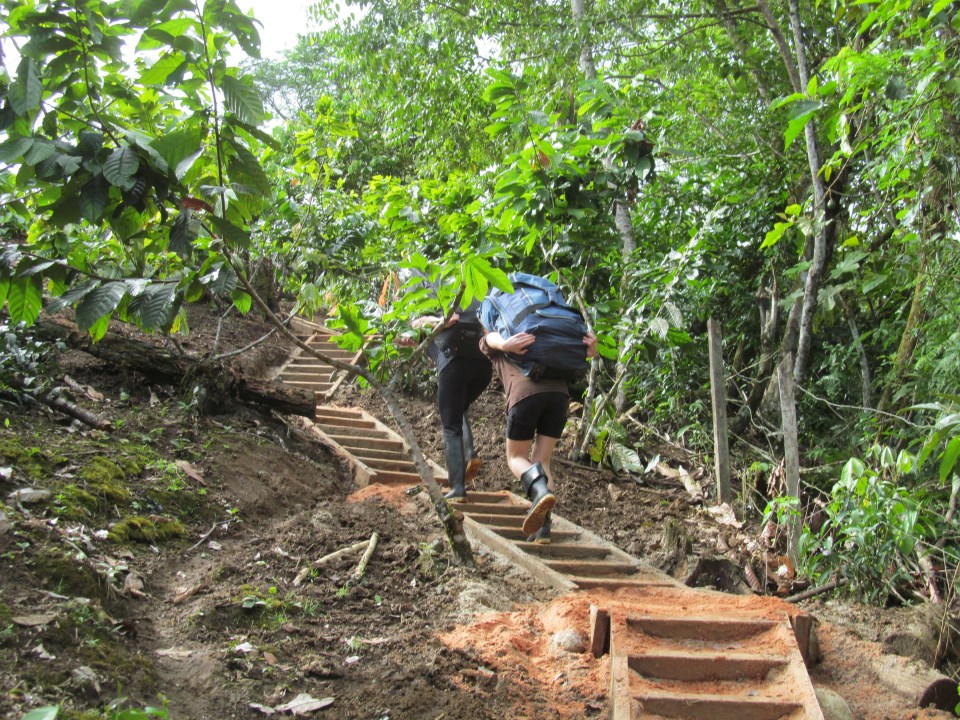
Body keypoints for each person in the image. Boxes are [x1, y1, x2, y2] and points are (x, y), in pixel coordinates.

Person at [479, 319, 598, 544]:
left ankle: (540, 491)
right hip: (559, 396)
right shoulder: (538, 331)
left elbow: (488, 339)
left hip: (525, 396)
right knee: (542, 461)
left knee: (516, 457)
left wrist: (503, 344)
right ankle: (543, 530)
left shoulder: (504, 340)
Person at [407, 299, 493, 504]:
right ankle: (470, 453)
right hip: (483, 368)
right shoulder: (473, 305)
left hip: (454, 364)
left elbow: (416, 324)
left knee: (450, 426)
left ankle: (457, 488)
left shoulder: (427, 320)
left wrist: (430, 322)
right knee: (458, 409)